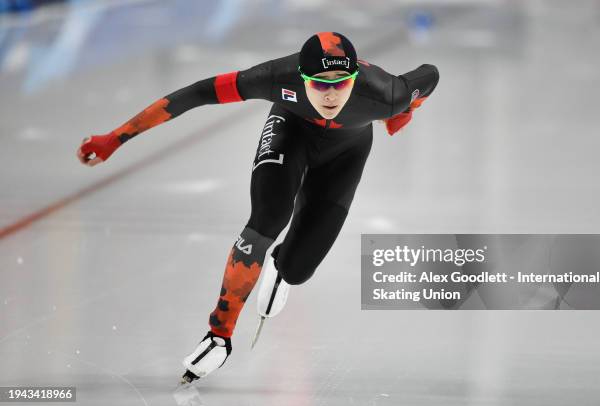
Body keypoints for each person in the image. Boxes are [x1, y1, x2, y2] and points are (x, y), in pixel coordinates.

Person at [76, 32, 439, 383]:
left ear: (355, 77)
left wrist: (409, 107)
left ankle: (283, 265)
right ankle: (219, 334)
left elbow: (430, 74)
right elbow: (194, 95)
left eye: (341, 83)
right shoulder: (272, 77)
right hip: (291, 132)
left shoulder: (388, 92)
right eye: (319, 83)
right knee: (269, 216)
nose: (331, 94)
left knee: (299, 270)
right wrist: (115, 139)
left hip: (346, 153)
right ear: (300, 78)